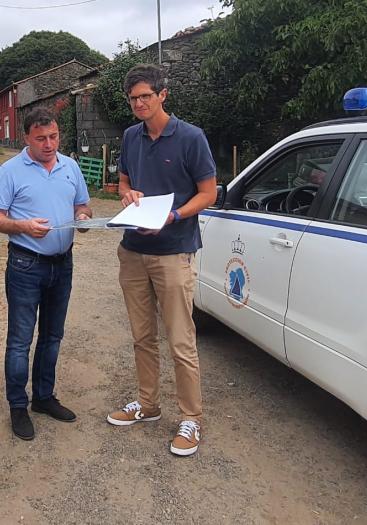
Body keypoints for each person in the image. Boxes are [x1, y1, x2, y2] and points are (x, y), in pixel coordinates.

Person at [106, 64, 217, 457]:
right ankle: (148, 404)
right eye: (133, 98)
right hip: (133, 250)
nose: (139, 104)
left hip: (173, 251)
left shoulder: (190, 137)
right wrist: (127, 194)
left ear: (162, 94)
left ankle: (191, 418)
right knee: (142, 337)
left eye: (145, 97)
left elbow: (208, 193)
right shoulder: (131, 136)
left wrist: (172, 216)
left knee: (181, 340)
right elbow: (122, 181)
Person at [0, 107, 92, 440]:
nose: (49, 144)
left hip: (62, 263)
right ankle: (17, 406)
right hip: (26, 264)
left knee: (53, 336)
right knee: (20, 341)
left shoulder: (70, 166)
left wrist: (82, 218)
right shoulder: (9, 171)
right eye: (41, 139)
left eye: (53, 136)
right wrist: (21, 225)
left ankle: (43, 397)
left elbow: (83, 205)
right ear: (27, 138)